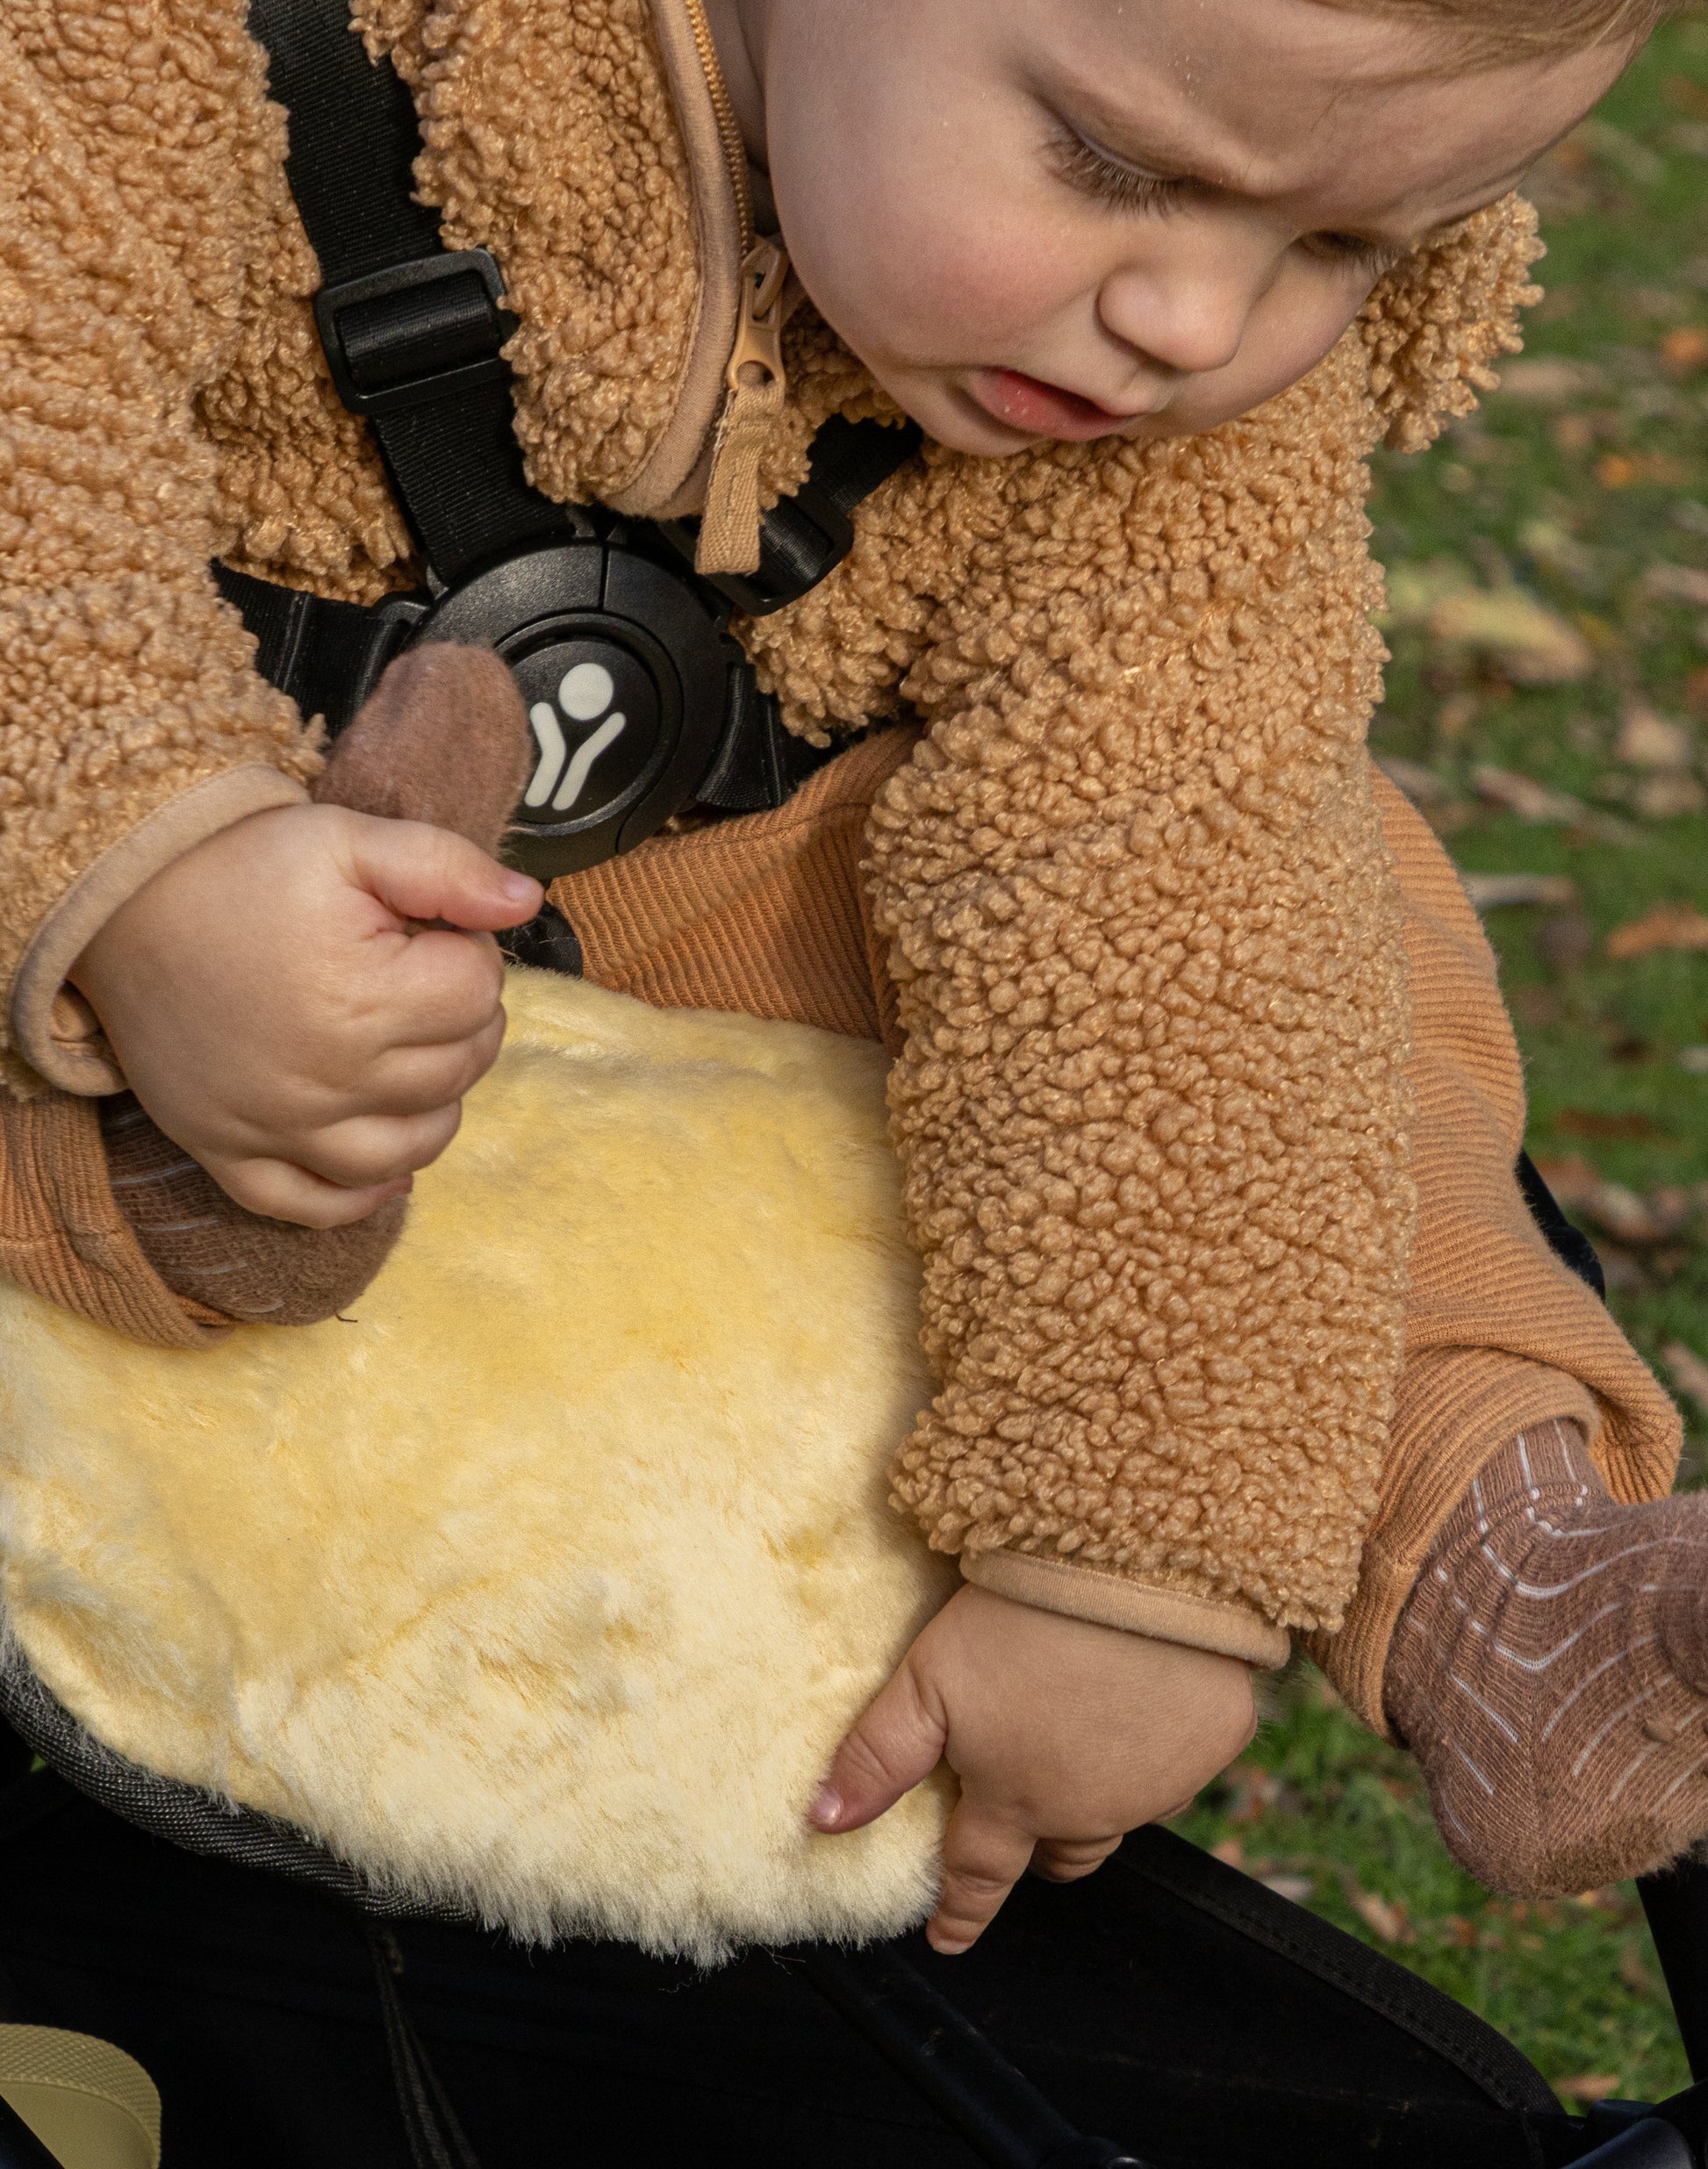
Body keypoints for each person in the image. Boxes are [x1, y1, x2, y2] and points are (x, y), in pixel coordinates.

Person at [0, 0, 1689, 1991]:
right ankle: (164, 1189)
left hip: (702, 866)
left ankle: (1491, 1561)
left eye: (1345, 248)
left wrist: (1138, 1564)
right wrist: (146, 869)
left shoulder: (1171, 381)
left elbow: (1169, 888)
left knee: (1313, 922)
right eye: (1118, 169)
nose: (1196, 319)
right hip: (176, 779)